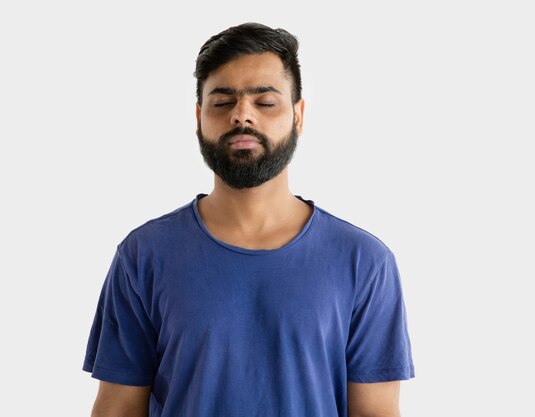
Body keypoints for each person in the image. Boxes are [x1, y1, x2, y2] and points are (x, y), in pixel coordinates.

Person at [83, 22, 415, 417]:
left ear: (298, 115)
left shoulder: (364, 261)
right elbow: (117, 407)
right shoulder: (143, 255)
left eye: (265, 102)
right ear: (198, 117)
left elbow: (375, 411)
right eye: (223, 102)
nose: (242, 116)